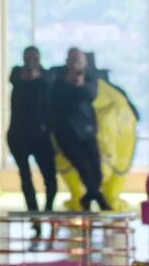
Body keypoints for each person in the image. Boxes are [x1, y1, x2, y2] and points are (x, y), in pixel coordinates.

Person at [49, 48, 110, 211]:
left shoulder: (89, 78)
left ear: (85, 62)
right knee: (83, 168)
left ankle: (90, 197)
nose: (75, 63)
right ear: (67, 61)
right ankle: (98, 199)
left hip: (87, 131)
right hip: (66, 133)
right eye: (72, 59)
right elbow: (57, 97)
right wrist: (69, 82)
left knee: (96, 170)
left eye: (79, 60)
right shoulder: (58, 78)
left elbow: (90, 95)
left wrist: (79, 83)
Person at [6, 47, 58, 218]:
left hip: (41, 136)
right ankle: (33, 213)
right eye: (27, 59)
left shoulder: (46, 77)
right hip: (19, 135)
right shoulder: (17, 74)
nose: (30, 63)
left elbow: (48, 81)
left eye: (34, 59)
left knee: (50, 177)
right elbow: (14, 78)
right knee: (25, 176)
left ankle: (49, 210)